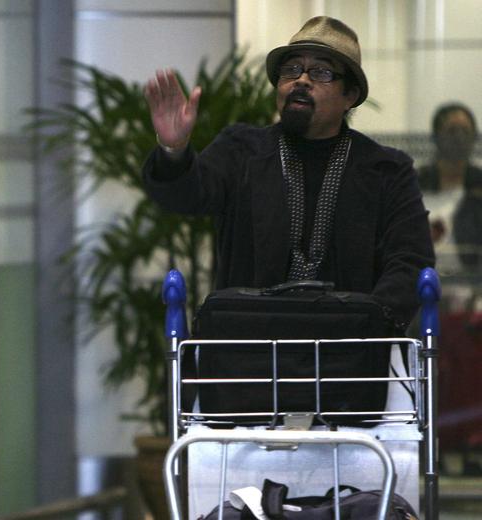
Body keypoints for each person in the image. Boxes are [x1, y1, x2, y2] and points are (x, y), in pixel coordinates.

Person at [142, 16, 434, 330]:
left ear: (349, 95)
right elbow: (187, 195)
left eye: (320, 72)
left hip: (348, 348)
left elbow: (410, 261)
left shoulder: (387, 170)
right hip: (247, 346)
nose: (301, 80)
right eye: (292, 69)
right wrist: (174, 149)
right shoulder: (241, 150)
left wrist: (367, 325)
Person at [417, 103, 482, 271]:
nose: (459, 138)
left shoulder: (479, 185)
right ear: (436, 136)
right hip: (420, 277)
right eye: (452, 131)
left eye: (465, 131)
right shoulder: (415, 183)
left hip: (471, 279)